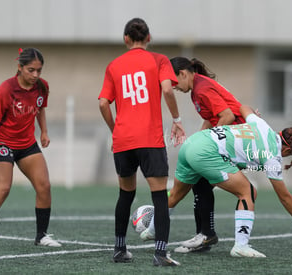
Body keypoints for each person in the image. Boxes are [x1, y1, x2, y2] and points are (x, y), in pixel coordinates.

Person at [159, 105, 292, 257]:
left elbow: (244, 108)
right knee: (248, 192)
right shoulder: (272, 156)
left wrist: (254, 113)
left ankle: (153, 228)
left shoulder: (262, 124)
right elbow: (284, 196)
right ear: (288, 150)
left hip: (193, 141)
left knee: (179, 193)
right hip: (207, 152)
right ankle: (241, 245)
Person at [98, 18, 185, 266]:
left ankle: (119, 248)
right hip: (150, 138)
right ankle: (160, 253)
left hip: (123, 140)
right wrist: (177, 119)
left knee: (125, 194)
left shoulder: (113, 65)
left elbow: (103, 103)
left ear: (126, 39)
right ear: (149, 38)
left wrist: (116, 130)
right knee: (159, 195)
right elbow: (168, 90)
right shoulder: (159, 60)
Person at [141, 57, 248, 253]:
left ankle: (207, 235)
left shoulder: (201, 89)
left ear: (183, 73)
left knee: (203, 182)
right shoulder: (197, 88)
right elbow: (211, 119)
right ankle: (205, 235)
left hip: (239, 140)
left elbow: (227, 116)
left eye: (174, 83)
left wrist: (208, 143)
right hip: (235, 138)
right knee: (199, 181)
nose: (174, 88)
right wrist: (197, 141)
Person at [0, 48, 61, 248]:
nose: (36, 75)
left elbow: (40, 109)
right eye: (31, 70)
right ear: (19, 68)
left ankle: (41, 236)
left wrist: (43, 132)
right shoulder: (6, 89)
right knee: (3, 187)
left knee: (44, 186)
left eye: (39, 70)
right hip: (2, 142)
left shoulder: (42, 87)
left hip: (27, 143)